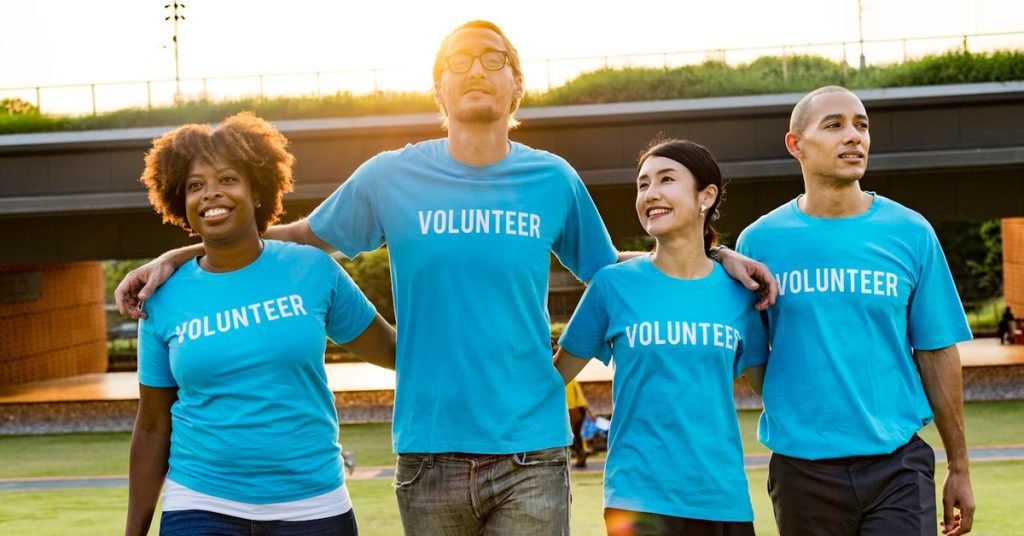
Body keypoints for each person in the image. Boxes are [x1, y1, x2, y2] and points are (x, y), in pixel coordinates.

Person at [116, 21, 777, 535]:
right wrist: (173, 259)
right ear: (437, 90)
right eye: (456, 62)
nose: (475, 70)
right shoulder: (388, 176)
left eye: (493, 59)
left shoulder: (552, 179)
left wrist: (716, 255)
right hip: (428, 452)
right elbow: (283, 237)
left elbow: (632, 278)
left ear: (517, 87)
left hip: (533, 453)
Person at [124, 113, 396, 536]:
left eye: (228, 179)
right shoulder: (162, 296)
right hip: (199, 503)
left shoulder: (313, 271)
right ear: (181, 203)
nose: (211, 193)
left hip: (313, 506)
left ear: (256, 191)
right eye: (196, 186)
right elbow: (154, 425)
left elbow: (396, 352)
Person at [736, 86, 975, 535]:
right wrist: (802, 410)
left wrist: (959, 467)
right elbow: (754, 358)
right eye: (834, 125)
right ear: (796, 145)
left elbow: (937, 352)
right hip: (802, 472)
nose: (854, 136)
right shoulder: (758, 242)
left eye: (861, 125)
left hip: (897, 467)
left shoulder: (910, 232)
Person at [555, 139, 768, 536]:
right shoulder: (611, 286)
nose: (651, 193)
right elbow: (552, 381)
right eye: (642, 184)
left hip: (723, 500)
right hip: (637, 503)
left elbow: (773, 390)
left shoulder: (739, 292)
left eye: (666, 180)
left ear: (706, 196)